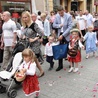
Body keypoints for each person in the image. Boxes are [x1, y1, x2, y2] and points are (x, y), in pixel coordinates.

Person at [21, 11, 44, 77]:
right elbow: (24, 34)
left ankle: (32, 73)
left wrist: (35, 39)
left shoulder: (34, 25)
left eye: (26, 17)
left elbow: (42, 33)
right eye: (23, 18)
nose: (24, 19)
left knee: (32, 59)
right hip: (28, 44)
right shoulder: (25, 26)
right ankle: (41, 71)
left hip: (35, 45)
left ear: (29, 17)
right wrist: (24, 36)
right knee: (35, 60)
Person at [53, 5, 72, 71]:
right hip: (59, 34)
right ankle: (60, 65)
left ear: (64, 10)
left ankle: (71, 64)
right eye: (59, 13)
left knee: (69, 50)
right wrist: (59, 25)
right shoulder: (57, 16)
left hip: (66, 35)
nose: (60, 14)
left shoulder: (68, 16)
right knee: (60, 50)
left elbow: (70, 27)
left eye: (61, 13)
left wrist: (63, 35)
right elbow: (54, 25)